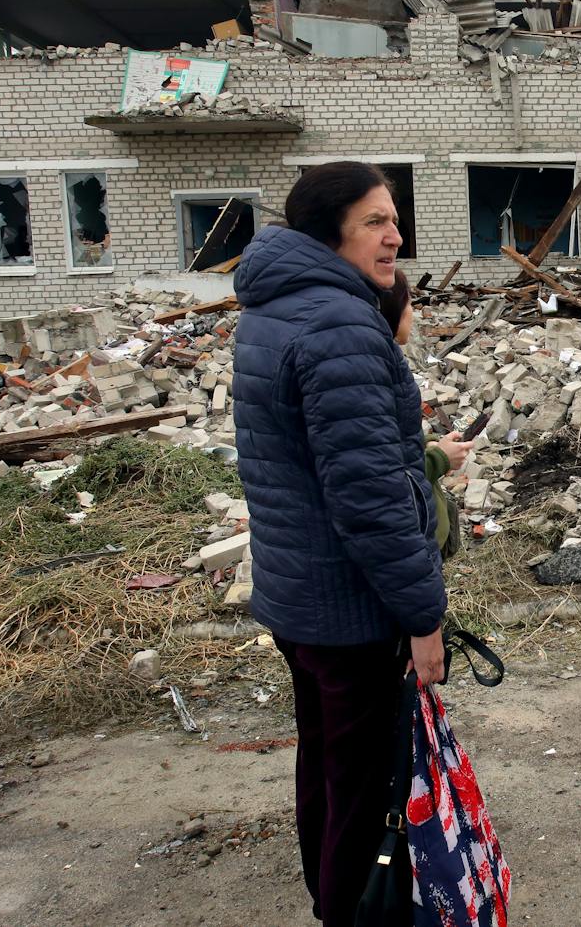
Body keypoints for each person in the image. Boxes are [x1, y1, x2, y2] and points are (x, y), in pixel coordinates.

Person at [231, 161, 445, 925]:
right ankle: (353, 912)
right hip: (352, 609)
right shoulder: (338, 322)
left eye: (393, 220)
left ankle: (332, 900)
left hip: (301, 598)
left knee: (326, 767)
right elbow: (370, 498)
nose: (396, 237)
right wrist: (423, 617)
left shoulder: (274, 308)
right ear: (330, 233)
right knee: (363, 789)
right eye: (375, 223)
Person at [376, 270, 475, 559]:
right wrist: (439, 458)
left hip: (422, 536)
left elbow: (394, 442)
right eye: (409, 305)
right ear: (392, 310)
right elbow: (382, 472)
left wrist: (426, 443)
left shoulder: (385, 364)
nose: (413, 314)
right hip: (410, 545)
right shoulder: (370, 374)